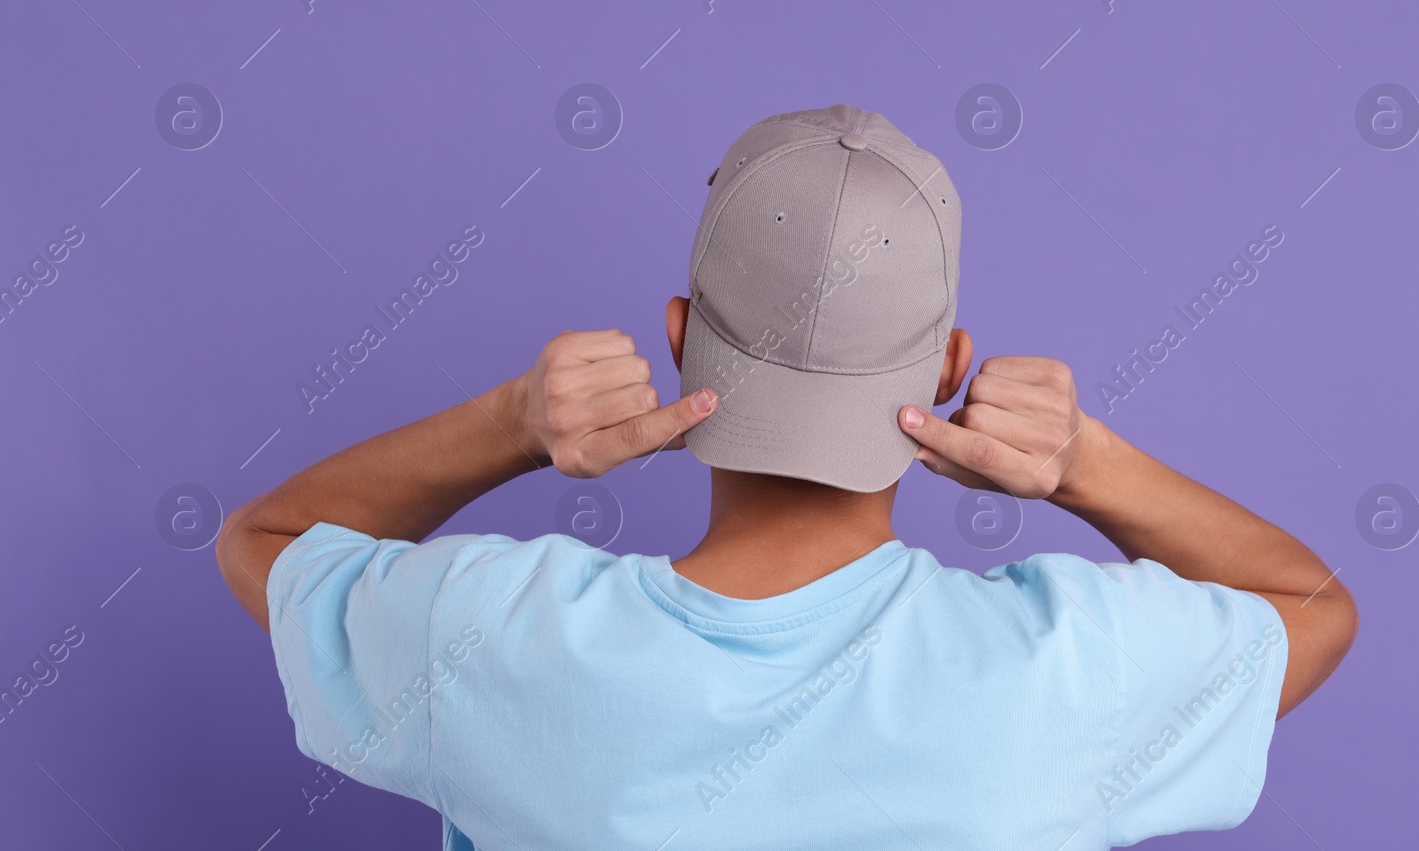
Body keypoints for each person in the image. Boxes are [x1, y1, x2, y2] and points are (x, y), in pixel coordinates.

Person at [217, 104, 1356, 850]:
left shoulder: (491, 638)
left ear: (677, 335)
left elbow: (265, 540)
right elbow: (1309, 607)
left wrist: (516, 421)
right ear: (953, 364)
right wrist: (1080, 461)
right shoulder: (1064, 671)